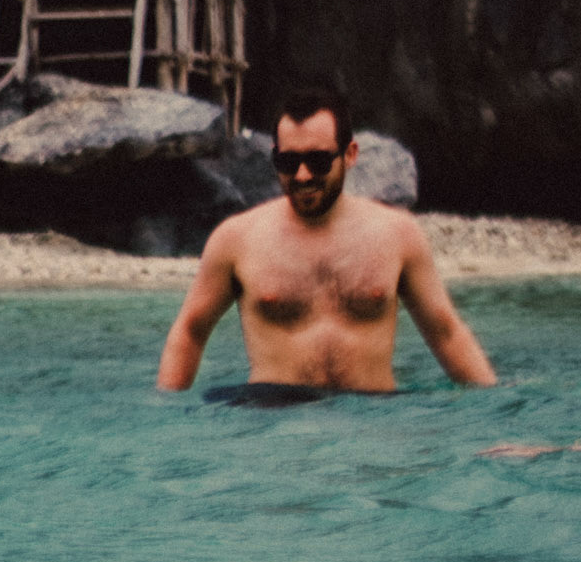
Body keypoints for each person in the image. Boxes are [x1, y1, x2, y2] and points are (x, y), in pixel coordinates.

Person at [156, 85, 497, 399]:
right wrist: (166, 411)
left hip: (375, 415)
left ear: (350, 154)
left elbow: (445, 332)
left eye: (318, 161)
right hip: (275, 421)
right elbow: (190, 330)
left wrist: (494, 407)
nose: (302, 175)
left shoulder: (398, 235)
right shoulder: (236, 239)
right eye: (288, 162)